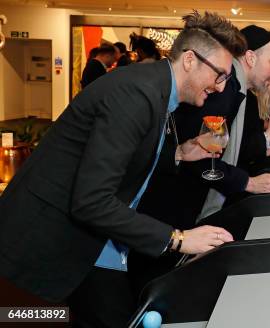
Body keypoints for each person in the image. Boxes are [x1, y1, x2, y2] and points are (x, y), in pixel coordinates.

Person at [0, 11, 246, 327]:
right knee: (31, 319)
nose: (221, 87)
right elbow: (91, 201)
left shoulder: (153, 89)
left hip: (90, 245)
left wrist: (180, 153)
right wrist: (178, 238)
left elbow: (128, 153)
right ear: (189, 60)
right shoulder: (137, 95)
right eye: (220, 75)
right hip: (47, 245)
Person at [128, 24, 270, 296]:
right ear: (250, 58)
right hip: (171, 208)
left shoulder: (237, 93)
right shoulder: (225, 91)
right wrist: (247, 182)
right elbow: (200, 156)